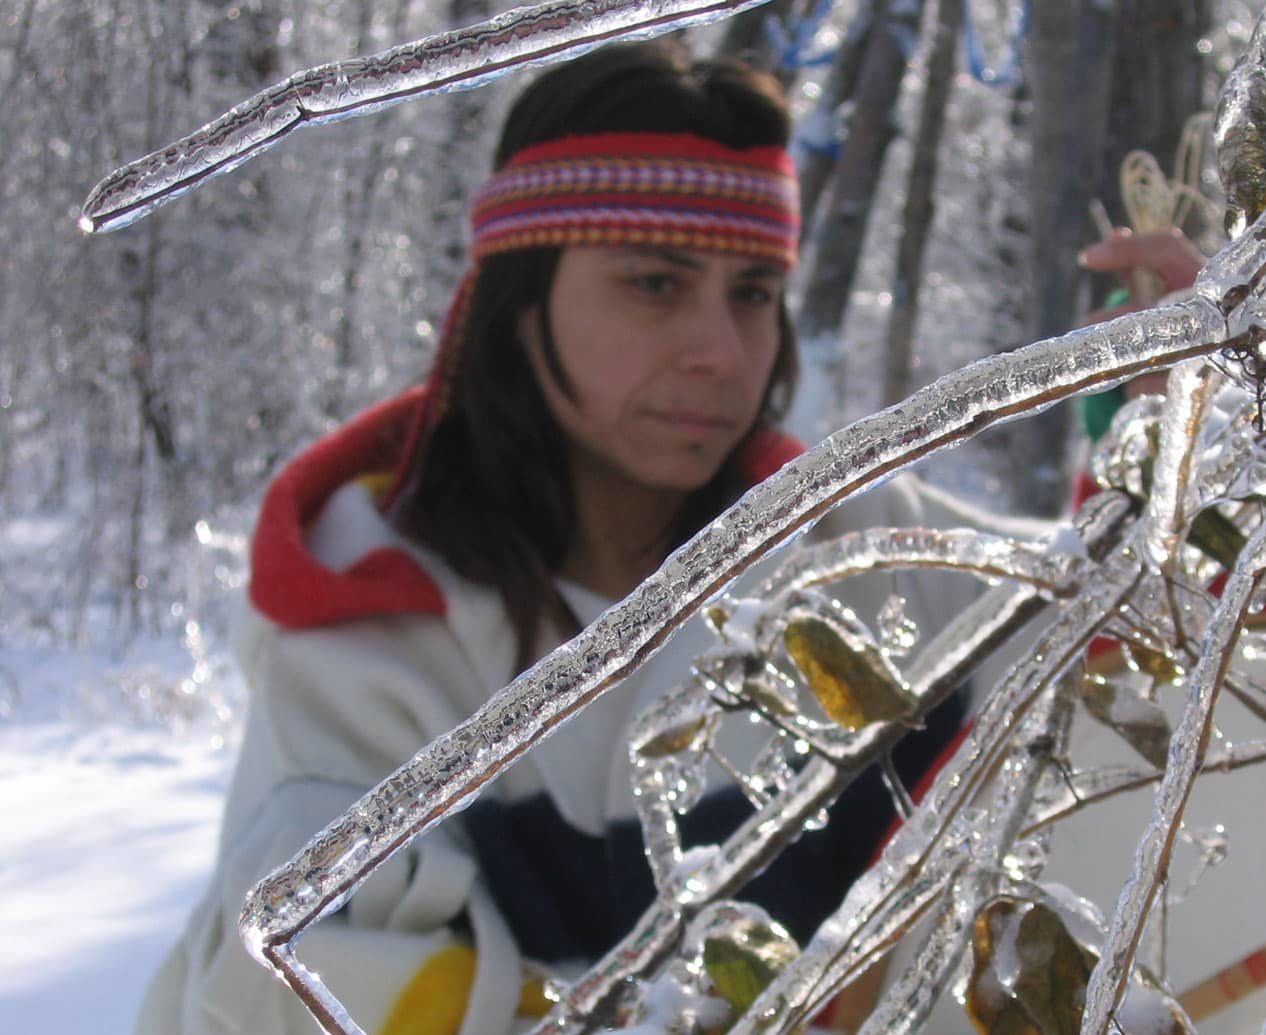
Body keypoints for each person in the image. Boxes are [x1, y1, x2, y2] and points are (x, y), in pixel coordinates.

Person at [137, 41, 1014, 1035]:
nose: (722, 353)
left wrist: (1163, 407)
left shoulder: (859, 556)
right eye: (655, 284)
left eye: (753, 293)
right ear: (522, 305)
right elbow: (306, 990)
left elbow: (1108, 619)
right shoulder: (368, 642)